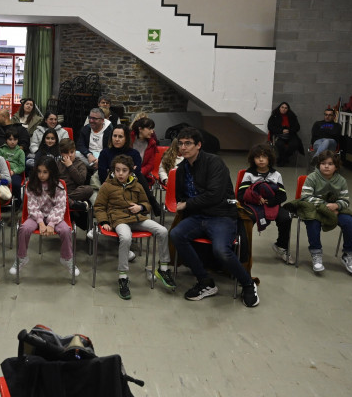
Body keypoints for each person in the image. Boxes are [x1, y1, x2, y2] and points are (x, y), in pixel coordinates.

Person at [168, 127, 260, 307]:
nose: (184, 147)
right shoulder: (181, 169)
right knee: (176, 234)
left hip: (221, 215)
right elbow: (181, 196)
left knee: (221, 250)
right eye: (181, 143)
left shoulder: (214, 162)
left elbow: (214, 195)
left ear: (199, 145)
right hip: (198, 216)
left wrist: (187, 204)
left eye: (188, 143)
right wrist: (186, 205)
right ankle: (205, 281)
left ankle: (248, 284)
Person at [94, 155, 172, 300]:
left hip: (137, 218)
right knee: (126, 237)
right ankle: (123, 277)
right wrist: (103, 221)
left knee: (163, 231)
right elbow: (99, 206)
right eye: (117, 170)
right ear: (113, 171)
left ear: (130, 172)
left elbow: (147, 204)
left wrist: (140, 206)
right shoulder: (107, 185)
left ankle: (164, 268)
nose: (121, 174)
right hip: (119, 219)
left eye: (124, 170)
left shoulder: (137, 185)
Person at [291, 150, 352, 275]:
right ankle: (316, 253)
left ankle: (348, 254)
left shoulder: (341, 180)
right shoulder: (312, 177)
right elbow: (306, 197)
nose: (326, 166)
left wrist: (336, 206)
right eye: (323, 163)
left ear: (336, 166)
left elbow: (345, 200)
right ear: (319, 165)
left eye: (330, 164)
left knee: (350, 221)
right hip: (316, 208)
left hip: (335, 209)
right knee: (312, 221)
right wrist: (326, 206)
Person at [14, 157, 79, 277]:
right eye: (39, 171)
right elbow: (32, 206)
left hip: (54, 217)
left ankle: (67, 258)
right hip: (36, 216)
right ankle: (21, 257)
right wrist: (40, 222)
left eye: (45, 172)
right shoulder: (32, 185)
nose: (41, 175)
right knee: (24, 229)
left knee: (65, 230)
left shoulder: (59, 186)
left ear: (51, 172)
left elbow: (60, 207)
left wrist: (51, 224)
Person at [237, 144, 293, 264]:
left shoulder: (276, 175)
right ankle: (243, 251)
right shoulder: (249, 174)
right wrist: (256, 199)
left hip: (272, 204)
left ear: (270, 159)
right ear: (253, 159)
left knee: (286, 217)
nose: (261, 160)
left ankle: (281, 247)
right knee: (247, 218)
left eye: (264, 157)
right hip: (253, 204)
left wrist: (270, 201)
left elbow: (283, 196)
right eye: (257, 157)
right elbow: (241, 195)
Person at [267, 101, 304, 166]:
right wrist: (281, 130)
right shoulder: (274, 116)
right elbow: (270, 127)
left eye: (286, 108)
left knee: (295, 144)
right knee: (280, 144)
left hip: (290, 135)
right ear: (279, 108)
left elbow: (297, 127)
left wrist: (289, 130)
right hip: (278, 135)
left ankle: (283, 158)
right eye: (282, 107)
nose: (284, 109)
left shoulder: (292, 116)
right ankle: (283, 160)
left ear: (288, 109)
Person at [0, 126, 25, 202]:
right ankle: (2, 201)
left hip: (15, 174)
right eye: (10, 139)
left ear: (18, 140)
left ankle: (17, 202)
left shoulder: (20, 152)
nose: (12, 142)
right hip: (2, 173)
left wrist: (14, 172)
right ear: (6, 140)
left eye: (15, 139)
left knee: (15, 184)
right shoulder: (1, 150)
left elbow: (22, 166)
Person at [130, 117, 159, 187]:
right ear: (140, 129)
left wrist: (140, 171)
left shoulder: (151, 144)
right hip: (125, 172)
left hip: (141, 174)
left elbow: (150, 164)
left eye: (152, 129)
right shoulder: (129, 139)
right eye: (149, 129)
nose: (152, 132)